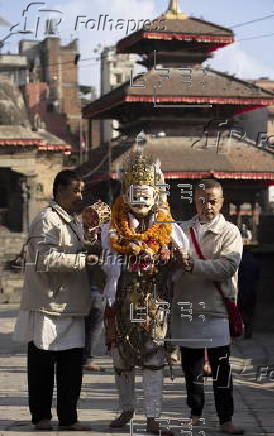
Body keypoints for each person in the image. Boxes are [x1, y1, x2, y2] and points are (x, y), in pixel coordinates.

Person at [101, 151, 188, 436]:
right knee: (120, 357)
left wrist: (168, 255)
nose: (140, 201)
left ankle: (153, 416)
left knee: (153, 359)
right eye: (134, 195)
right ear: (125, 193)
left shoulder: (168, 225)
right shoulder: (111, 227)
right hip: (121, 299)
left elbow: (182, 261)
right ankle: (126, 407)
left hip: (154, 301)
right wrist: (128, 252)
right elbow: (103, 260)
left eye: (145, 194)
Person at [13, 170, 97, 431]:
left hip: (73, 303)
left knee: (72, 367)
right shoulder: (46, 220)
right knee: (42, 365)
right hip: (47, 304)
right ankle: (41, 416)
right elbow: (44, 259)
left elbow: (79, 249)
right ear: (59, 190)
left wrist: (92, 241)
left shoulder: (73, 221)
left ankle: (69, 417)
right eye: (75, 191)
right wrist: (81, 260)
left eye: (81, 191)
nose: (79, 196)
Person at [171, 178, 244, 435]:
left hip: (215, 308)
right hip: (187, 306)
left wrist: (192, 265)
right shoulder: (179, 229)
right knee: (191, 369)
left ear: (221, 202)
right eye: (202, 200)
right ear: (194, 201)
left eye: (212, 201)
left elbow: (227, 266)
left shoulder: (230, 232)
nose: (207, 206)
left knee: (221, 367)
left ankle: (226, 418)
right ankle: (195, 413)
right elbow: (170, 267)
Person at [82, 200, 111, 371]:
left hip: (98, 285)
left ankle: (88, 357)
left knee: (95, 320)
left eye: (96, 217)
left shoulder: (106, 234)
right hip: (79, 284)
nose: (92, 218)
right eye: (90, 215)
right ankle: (84, 357)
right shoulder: (77, 230)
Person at [238, 247, 260, 339]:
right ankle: (249, 331)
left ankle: (245, 329)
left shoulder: (241, 262)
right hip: (253, 290)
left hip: (243, 290)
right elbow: (258, 276)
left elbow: (239, 276)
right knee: (250, 311)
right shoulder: (256, 262)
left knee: (242, 311)